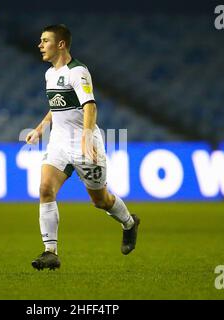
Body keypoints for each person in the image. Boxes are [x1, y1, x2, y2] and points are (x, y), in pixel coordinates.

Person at [26, 24, 140, 271]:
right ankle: (50, 252)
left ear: (61, 44)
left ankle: (129, 223)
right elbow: (56, 106)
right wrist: (40, 128)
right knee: (45, 188)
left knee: (100, 201)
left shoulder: (78, 72)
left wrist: (87, 137)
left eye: (45, 40)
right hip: (58, 143)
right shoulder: (49, 74)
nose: (40, 45)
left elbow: (90, 106)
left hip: (84, 144)